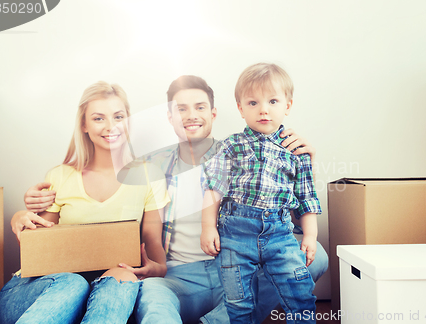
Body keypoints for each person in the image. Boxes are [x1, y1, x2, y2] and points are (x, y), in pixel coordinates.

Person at [24, 75, 328, 324]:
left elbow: (290, 214)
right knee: (155, 307)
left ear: (214, 113)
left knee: (317, 258)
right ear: (169, 117)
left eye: (199, 107)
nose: (191, 116)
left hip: (236, 267)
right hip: (176, 274)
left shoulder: (247, 155)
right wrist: (29, 207)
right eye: (181, 109)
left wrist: (303, 161)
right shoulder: (150, 167)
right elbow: (99, 203)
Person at [0, 81, 170, 324]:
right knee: (73, 282)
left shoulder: (148, 176)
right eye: (99, 118)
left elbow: (153, 244)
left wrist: (157, 268)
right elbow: (40, 250)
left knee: (123, 278)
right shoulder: (59, 176)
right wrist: (20, 219)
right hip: (36, 296)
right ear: (84, 124)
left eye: (118, 116)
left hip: (100, 295)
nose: (111, 126)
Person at [200, 63, 320, 323]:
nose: (263, 109)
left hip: (279, 233)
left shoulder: (296, 149)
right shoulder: (231, 146)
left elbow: (306, 197)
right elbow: (214, 190)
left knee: (300, 295)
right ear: (241, 109)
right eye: (253, 103)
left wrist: (310, 234)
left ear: (287, 105)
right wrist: (208, 227)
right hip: (235, 233)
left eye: (273, 101)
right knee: (238, 301)